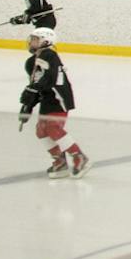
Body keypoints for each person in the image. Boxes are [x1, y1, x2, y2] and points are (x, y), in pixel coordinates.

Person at [18, 31, 88, 176]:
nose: (31, 42)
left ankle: (79, 156)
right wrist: (28, 105)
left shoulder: (49, 55)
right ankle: (60, 160)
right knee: (41, 130)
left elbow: (49, 78)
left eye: (35, 39)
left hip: (58, 98)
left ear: (46, 41)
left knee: (52, 127)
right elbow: (35, 84)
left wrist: (32, 90)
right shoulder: (31, 62)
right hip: (46, 98)